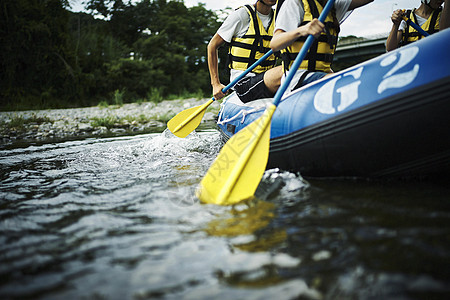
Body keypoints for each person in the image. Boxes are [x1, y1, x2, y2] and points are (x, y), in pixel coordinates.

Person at [269, 0, 374, 94]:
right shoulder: (295, 2)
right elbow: (275, 44)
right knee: (346, 83)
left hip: (323, 74)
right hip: (297, 78)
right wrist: (302, 30)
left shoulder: (332, 5)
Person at [207, 0, 282, 102]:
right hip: (243, 83)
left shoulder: (279, 18)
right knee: (284, 71)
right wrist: (215, 84)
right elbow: (212, 45)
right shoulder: (242, 15)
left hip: (267, 80)